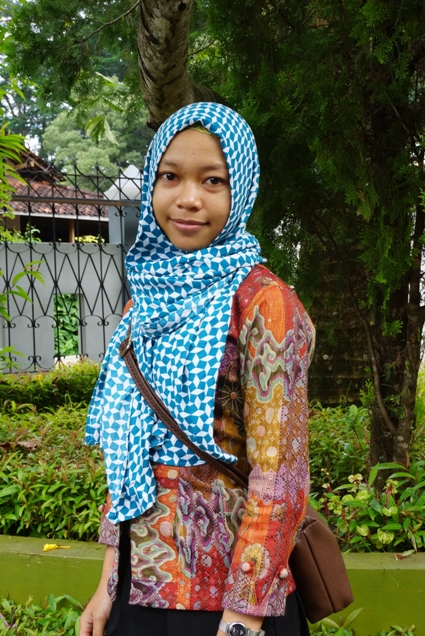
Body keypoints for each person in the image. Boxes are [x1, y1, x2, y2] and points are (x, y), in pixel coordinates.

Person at [81, 102, 315, 636]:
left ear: (242, 190)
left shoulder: (264, 303)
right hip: (138, 594)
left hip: (227, 604)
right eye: (170, 177)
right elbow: (127, 460)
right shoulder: (145, 305)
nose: (188, 198)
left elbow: (281, 475)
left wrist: (243, 616)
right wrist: (107, 584)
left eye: (213, 180)